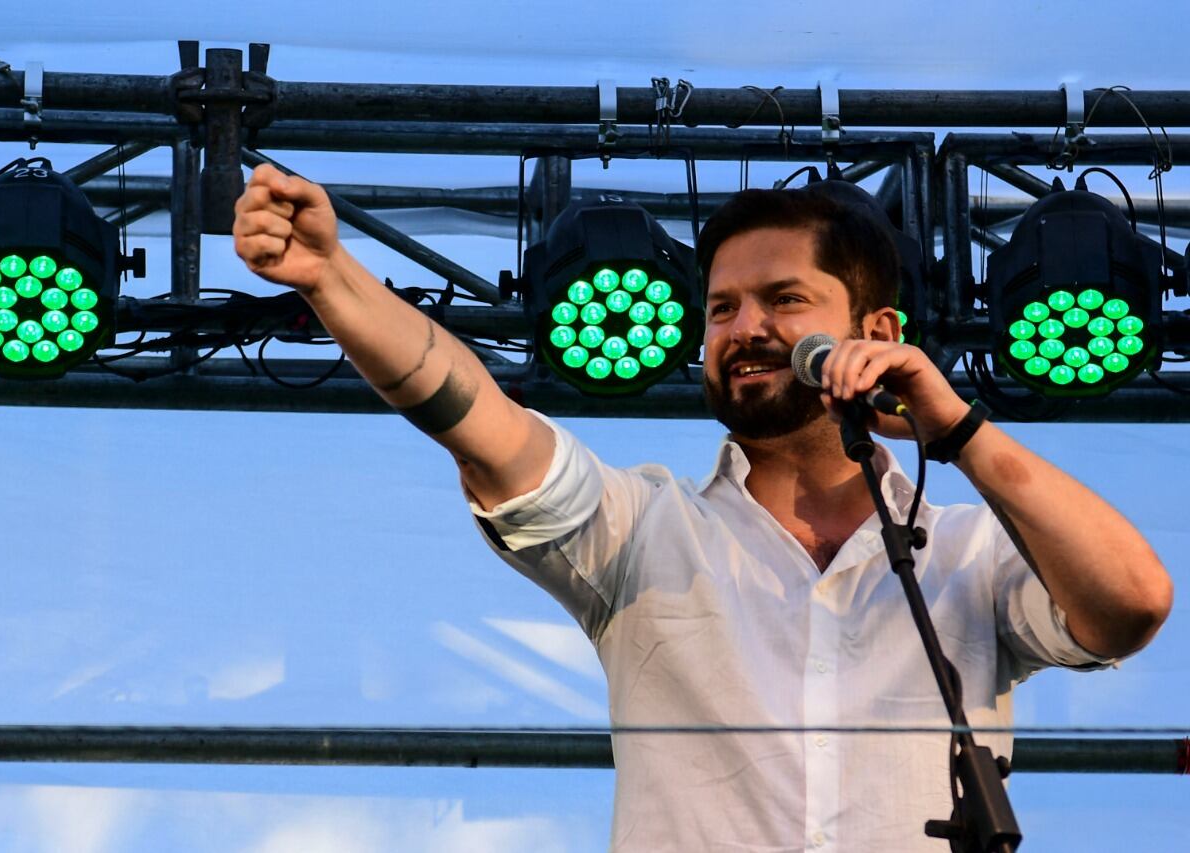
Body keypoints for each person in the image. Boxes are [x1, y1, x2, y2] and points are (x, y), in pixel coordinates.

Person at [233, 167, 1173, 852]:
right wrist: (333, 280)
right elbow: (478, 418)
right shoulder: (642, 528)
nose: (744, 329)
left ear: (878, 334)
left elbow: (1132, 600)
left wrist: (959, 429)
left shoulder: (968, 551)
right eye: (721, 309)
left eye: (784, 298)